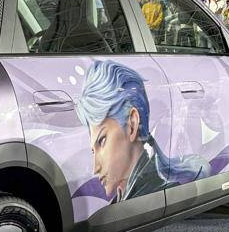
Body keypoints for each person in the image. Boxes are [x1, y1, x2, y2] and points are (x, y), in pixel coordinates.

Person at [76, 60, 208, 204]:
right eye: (93, 151)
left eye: (102, 141)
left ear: (132, 124)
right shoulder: (128, 196)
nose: (95, 168)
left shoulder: (155, 194)